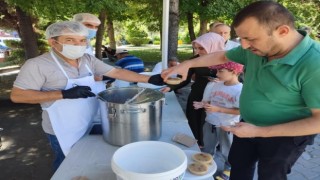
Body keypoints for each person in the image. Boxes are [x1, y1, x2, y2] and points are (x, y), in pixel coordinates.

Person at [162, 1, 320, 179]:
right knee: (238, 166)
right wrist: (188, 64)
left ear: (282, 31)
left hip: (286, 135)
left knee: (271, 175)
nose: (244, 46)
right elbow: (222, 55)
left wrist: (258, 131)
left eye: (251, 39)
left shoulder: (314, 63)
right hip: (247, 124)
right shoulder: (254, 49)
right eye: (241, 39)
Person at [10, 21, 164, 173]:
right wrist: (63, 94)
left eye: (82, 40)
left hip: (87, 120)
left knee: (85, 160)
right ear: (53, 42)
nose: (78, 45)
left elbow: (116, 72)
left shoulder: (87, 59)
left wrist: (149, 79)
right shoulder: (37, 65)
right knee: (65, 163)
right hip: (61, 128)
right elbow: (18, 96)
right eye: (70, 40)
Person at [164, 33, 225, 147]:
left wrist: (222, 81)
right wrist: (170, 87)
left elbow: (237, 78)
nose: (198, 51)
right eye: (196, 48)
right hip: (197, 93)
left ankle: (212, 146)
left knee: (211, 122)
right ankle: (197, 144)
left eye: (201, 48)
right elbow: (185, 78)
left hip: (218, 96)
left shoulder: (226, 59)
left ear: (213, 45)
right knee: (194, 119)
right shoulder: (194, 60)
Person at [194, 61, 243, 180]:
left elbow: (240, 111)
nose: (217, 74)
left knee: (228, 150)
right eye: (216, 71)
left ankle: (229, 168)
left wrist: (218, 109)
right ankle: (205, 164)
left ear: (234, 72)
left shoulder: (240, 90)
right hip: (210, 122)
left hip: (227, 126)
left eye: (220, 71)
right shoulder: (217, 84)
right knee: (207, 147)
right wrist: (203, 104)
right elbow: (212, 101)